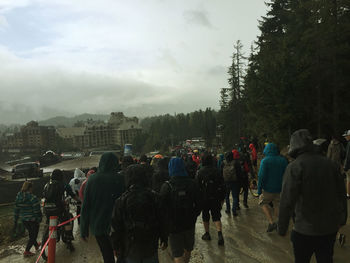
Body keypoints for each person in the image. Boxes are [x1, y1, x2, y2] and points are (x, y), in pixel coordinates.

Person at [278, 129, 348, 263]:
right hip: (329, 229)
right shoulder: (331, 164)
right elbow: (341, 195)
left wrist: (282, 227)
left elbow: (287, 200)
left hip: (303, 230)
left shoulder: (294, 166)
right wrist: (342, 219)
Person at [111, 164, 168, 263]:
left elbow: (116, 226)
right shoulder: (155, 197)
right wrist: (164, 238)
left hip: (130, 247)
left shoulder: (121, 200)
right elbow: (163, 220)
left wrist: (116, 246)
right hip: (150, 245)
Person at [80, 152, 125, 263]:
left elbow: (85, 206)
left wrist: (83, 229)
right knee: (122, 254)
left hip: (99, 226)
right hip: (119, 226)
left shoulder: (92, 180)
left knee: (107, 256)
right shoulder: (121, 179)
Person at [160, 157, 202, 263]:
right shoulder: (192, 183)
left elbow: (162, 209)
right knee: (188, 248)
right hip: (189, 223)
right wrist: (193, 215)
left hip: (174, 226)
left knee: (177, 253)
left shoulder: (166, 186)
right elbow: (199, 204)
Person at [42, 169, 78, 250]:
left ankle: (46, 235)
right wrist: (80, 201)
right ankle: (68, 240)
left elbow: (44, 195)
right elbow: (73, 195)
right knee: (67, 221)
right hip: (58, 208)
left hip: (47, 209)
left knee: (48, 222)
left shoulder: (46, 185)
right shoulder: (64, 185)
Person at [257, 143, 288, 232]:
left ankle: (271, 222)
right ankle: (279, 224)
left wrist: (259, 190)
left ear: (266, 150)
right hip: (281, 189)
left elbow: (261, 176)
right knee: (277, 205)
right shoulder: (283, 160)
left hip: (268, 190)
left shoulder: (265, 161)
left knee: (262, 202)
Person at [196, 153, 226, 246]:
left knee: (205, 216)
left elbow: (197, 187)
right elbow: (222, 185)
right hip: (215, 197)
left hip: (204, 198)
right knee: (216, 216)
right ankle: (219, 234)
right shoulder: (216, 171)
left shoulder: (200, 172)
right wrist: (222, 198)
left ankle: (207, 233)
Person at [14, 181, 42, 257]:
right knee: (33, 236)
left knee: (31, 233)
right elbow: (37, 210)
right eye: (32, 188)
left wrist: (15, 220)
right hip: (33, 220)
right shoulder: (33, 197)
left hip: (24, 220)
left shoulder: (18, 197)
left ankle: (36, 245)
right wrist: (39, 218)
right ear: (30, 188)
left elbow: (16, 209)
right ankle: (27, 251)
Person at [223, 151, 241, 216]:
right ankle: (234, 211)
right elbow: (239, 173)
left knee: (227, 196)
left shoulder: (223, 163)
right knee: (235, 197)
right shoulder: (236, 163)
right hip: (235, 182)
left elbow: (220, 172)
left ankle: (228, 209)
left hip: (226, 182)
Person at [342, 130, 350, 199]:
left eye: (346, 136)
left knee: (348, 179)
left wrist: (346, 167)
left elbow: (348, 156)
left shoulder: (349, 143)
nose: (345, 137)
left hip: (349, 166)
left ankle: (348, 194)